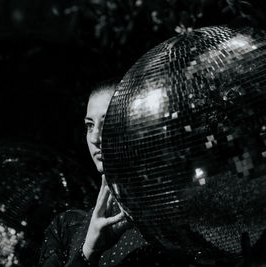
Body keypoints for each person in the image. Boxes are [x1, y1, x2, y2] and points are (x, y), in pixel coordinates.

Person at [38, 79, 187, 266]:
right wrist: (88, 252)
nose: (94, 137)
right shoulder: (66, 228)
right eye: (89, 125)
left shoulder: (179, 222)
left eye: (108, 121)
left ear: (138, 128)